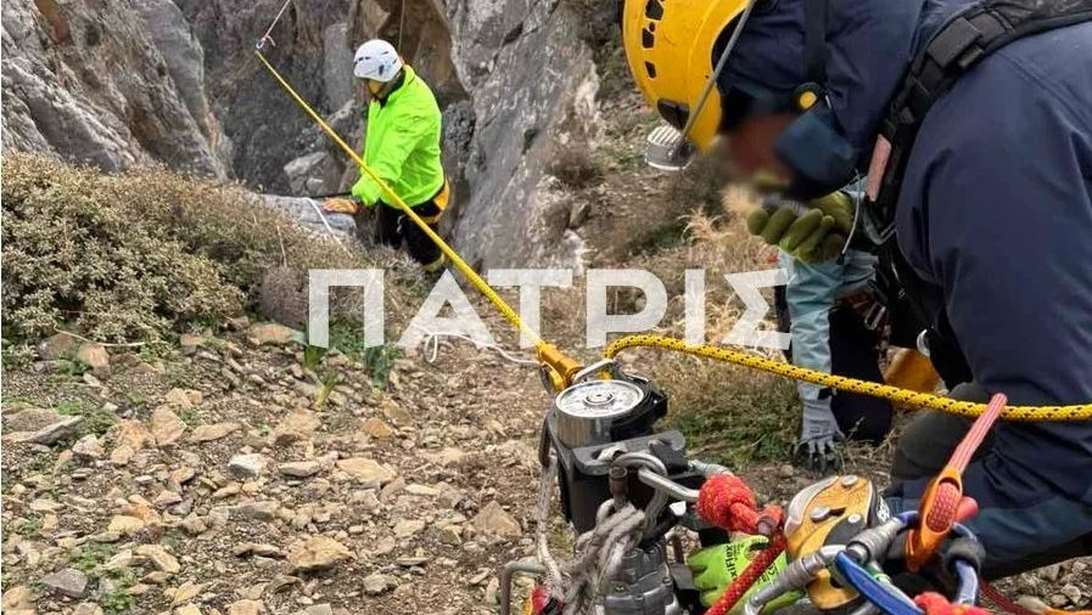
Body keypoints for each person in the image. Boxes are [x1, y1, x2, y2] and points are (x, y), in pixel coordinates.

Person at [621, 0, 1092, 577]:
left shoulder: (976, 153)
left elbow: (1070, 466)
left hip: (1077, 451)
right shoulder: (956, 68)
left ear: (782, 62)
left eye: (744, 135)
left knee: (855, 571)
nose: (756, 167)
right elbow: (1017, 307)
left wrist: (852, 549)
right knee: (928, 453)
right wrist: (871, 239)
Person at [328, 38, 449, 273]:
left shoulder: (414, 111)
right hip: (388, 191)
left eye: (368, 82)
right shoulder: (385, 94)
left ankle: (438, 290)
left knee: (426, 255)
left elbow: (389, 160)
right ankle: (390, 284)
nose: (365, 87)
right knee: (384, 246)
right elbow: (378, 145)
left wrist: (360, 199)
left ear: (384, 76)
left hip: (420, 197)